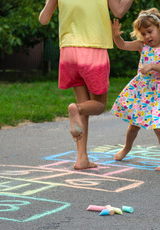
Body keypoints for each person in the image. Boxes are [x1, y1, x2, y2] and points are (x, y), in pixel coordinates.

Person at [39, 0, 134, 170]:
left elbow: (43, 19)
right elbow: (119, 11)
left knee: (83, 104)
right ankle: (77, 109)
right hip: (93, 49)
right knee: (98, 105)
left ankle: (81, 158)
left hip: (68, 51)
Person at [111, 8, 160, 171]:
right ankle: (126, 148)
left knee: (159, 126)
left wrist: (153, 66)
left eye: (150, 31)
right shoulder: (142, 46)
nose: (147, 36)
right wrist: (116, 36)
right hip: (142, 92)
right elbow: (122, 45)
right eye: (143, 33)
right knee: (133, 125)